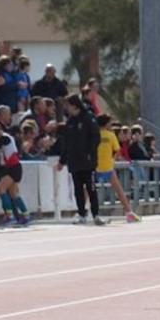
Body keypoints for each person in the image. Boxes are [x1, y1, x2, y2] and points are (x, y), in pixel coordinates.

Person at [57, 94, 104, 225]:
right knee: (78, 189)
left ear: (74, 105)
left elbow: (96, 137)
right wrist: (62, 161)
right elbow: (66, 143)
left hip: (88, 162)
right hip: (74, 161)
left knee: (91, 188)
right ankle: (82, 214)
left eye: (68, 105)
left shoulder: (88, 117)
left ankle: (96, 215)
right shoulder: (71, 122)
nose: (66, 108)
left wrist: (90, 153)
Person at [95, 114, 141, 223]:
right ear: (106, 124)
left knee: (88, 190)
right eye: (110, 123)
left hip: (96, 166)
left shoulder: (94, 134)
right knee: (119, 190)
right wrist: (112, 160)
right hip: (108, 166)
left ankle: (81, 211)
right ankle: (129, 213)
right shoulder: (111, 135)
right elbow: (117, 150)